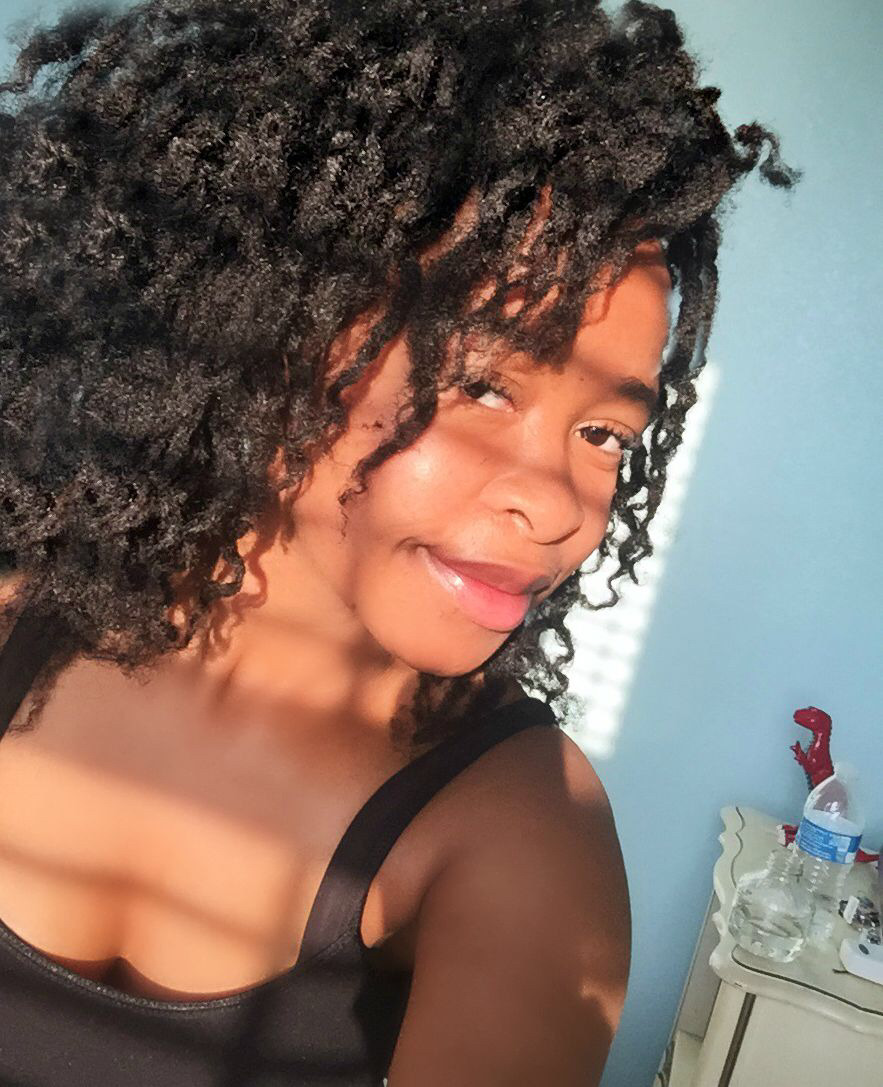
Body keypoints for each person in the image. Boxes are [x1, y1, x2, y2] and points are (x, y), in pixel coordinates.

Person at [0, 1, 795, 1084]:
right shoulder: (19, 624)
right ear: (270, 323)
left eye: (604, 434)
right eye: (481, 384)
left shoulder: (514, 836)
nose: (556, 504)